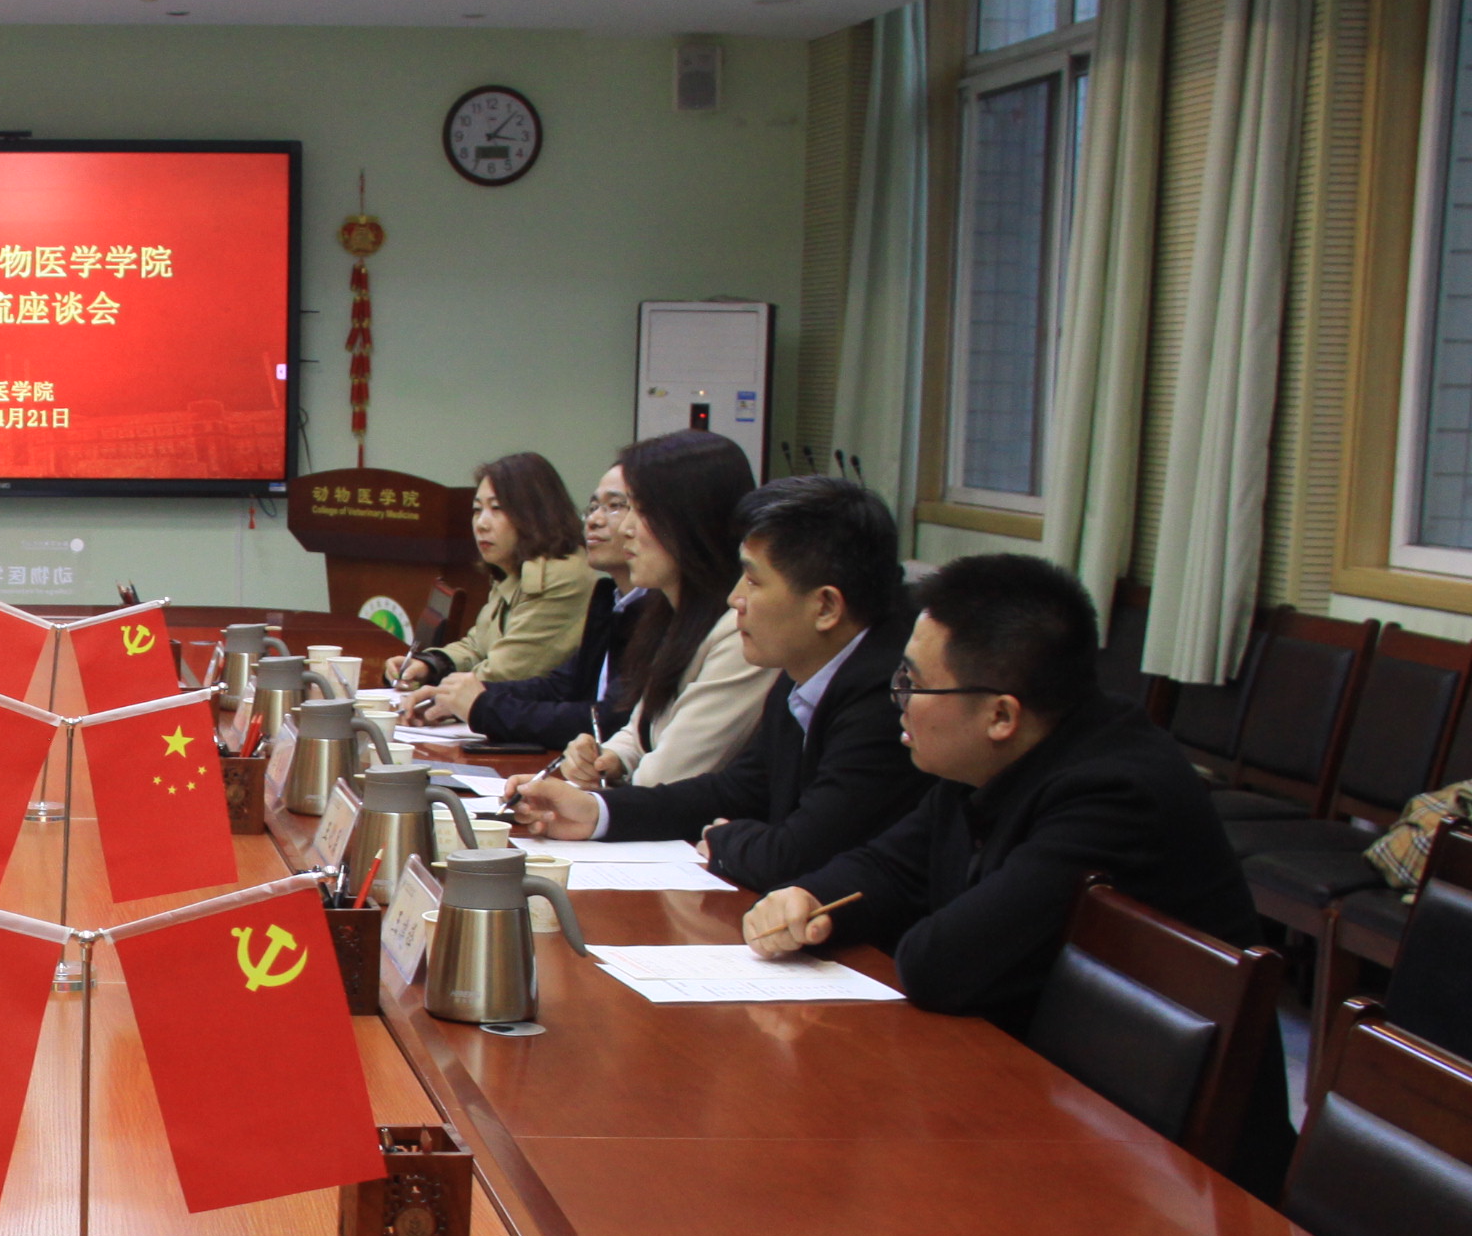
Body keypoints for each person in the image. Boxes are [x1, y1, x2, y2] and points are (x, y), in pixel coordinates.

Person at [747, 552, 1261, 1022]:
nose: (898, 700)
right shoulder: (996, 757)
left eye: (914, 684)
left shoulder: (1115, 796)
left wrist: (881, 918)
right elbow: (890, 866)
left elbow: (942, 965)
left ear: (1000, 716)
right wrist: (808, 898)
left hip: (1116, 1087)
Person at [511, 477, 923, 894]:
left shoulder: (887, 695)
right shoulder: (805, 667)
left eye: (753, 581)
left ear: (826, 606)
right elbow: (738, 790)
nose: (734, 598)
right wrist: (595, 811)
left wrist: (726, 841)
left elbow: (799, 853)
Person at [557, 429, 769, 790]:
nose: (625, 528)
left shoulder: (742, 630)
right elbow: (643, 730)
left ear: (694, 518)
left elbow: (667, 777)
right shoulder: (671, 612)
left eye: (641, 510)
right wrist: (607, 758)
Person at [408, 462, 642, 745]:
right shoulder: (610, 597)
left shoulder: (561, 577)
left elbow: (608, 719)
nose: (593, 521)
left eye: (615, 506)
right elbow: (561, 684)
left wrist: (473, 703)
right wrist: (436, 670)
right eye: (477, 510)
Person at [385, 453, 598, 694]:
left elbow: (506, 672)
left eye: (497, 508)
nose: (481, 524)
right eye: (477, 510)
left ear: (536, 513)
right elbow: (478, 646)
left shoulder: (560, 576)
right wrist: (429, 665)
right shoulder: (514, 567)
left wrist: (436, 695)